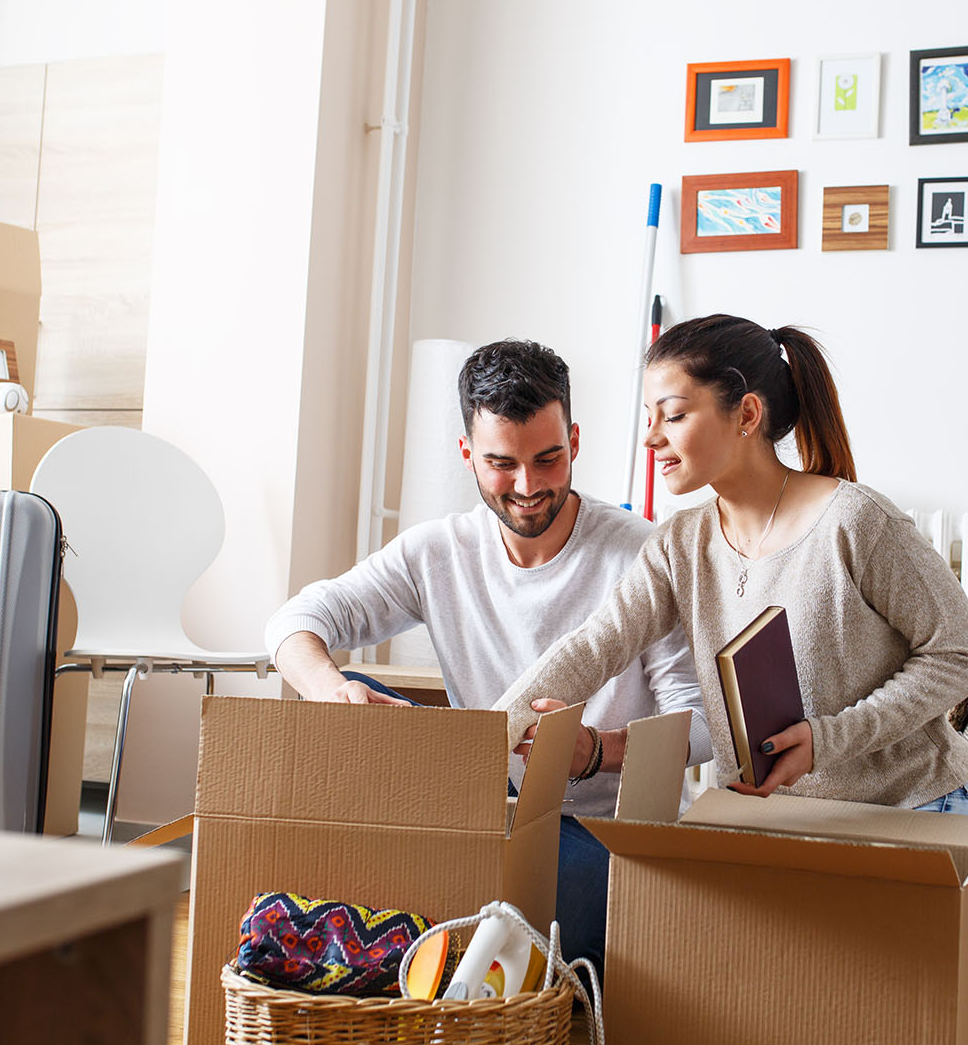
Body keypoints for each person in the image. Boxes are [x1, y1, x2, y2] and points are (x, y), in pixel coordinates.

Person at [494, 315, 968, 1045]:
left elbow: (963, 656)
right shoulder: (681, 543)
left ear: (747, 414)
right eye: (646, 417)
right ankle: (958, 977)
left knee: (810, 960)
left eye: (673, 416)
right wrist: (496, 726)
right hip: (793, 826)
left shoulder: (855, 521)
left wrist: (829, 738)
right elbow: (599, 643)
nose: (650, 438)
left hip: (927, 810)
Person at [265, 338, 711, 977]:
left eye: (549, 459)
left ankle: (459, 941)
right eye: (502, 464)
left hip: (599, 830)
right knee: (346, 692)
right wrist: (331, 690)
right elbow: (295, 621)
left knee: (518, 926)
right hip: (476, 812)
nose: (528, 487)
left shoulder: (643, 555)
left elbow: (698, 724)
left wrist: (593, 752)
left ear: (575, 442)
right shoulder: (437, 552)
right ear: (468, 456)